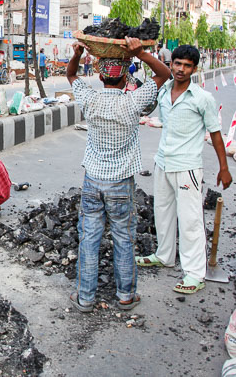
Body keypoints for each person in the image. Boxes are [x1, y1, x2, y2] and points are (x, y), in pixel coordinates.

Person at [66, 37, 171, 313]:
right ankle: (126, 296)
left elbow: (71, 73)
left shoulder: (89, 99)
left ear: (100, 75)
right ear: (126, 77)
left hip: (92, 180)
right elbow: (164, 74)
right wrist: (141, 53)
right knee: (124, 238)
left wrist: (77, 54)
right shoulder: (134, 101)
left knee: (89, 238)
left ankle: (85, 298)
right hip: (121, 182)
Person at [136, 45, 232, 295]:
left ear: (194, 69)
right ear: (172, 64)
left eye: (187, 65)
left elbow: (215, 134)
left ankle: (195, 273)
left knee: (190, 221)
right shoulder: (165, 90)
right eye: (177, 63)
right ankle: (164, 255)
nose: (180, 69)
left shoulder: (202, 98)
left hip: (187, 166)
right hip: (163, 162)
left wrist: (224, 168)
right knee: (163, 212)